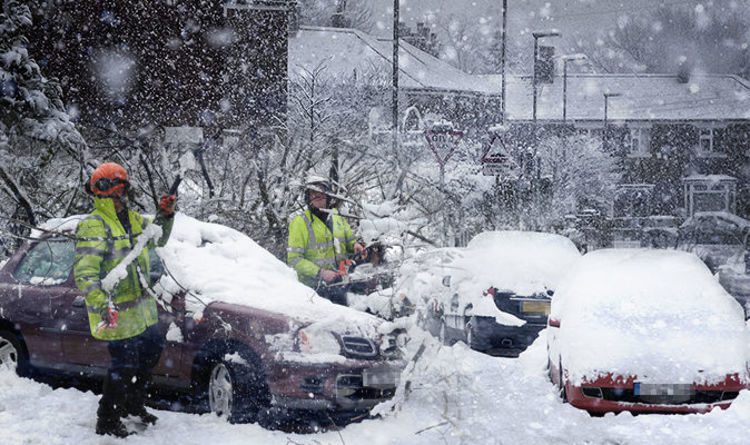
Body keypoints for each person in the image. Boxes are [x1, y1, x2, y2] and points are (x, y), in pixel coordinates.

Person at [74, 162, 177, 437]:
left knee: (148, 357)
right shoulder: (94, 225)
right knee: (124, 366)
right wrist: (101, 303)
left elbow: (158, 239)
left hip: (142, 310)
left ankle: (133, 405)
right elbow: (85, 273)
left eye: (124, 191)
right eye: (117, 192)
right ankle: (107, 418)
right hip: (116, 312)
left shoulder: (133, 219)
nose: (122, 197)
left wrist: (165, 215)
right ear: (103, 192)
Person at [287, 175, 364, 304]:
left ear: (328, 196)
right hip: (314, 291)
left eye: (321, 192)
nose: (318, 196)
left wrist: (355, 245)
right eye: (313, 193)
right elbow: (294, 260)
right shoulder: (299, 223)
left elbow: (350, 241)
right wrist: (320, 273)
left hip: (342, 282)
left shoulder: (337, 216)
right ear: (308, 197)